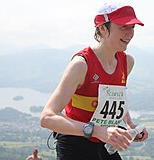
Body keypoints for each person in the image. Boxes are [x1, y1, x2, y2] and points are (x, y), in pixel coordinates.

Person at [40, 1, 148, 160]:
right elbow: (47, 118)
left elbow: (116, 98)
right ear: (103, 29)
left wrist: (130, 125)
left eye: (132, 27)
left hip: (105, 144)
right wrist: (97, 130)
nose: (130, 33)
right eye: (123, 27)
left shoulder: (127, 62)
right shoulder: (81, 64)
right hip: (75, 146)